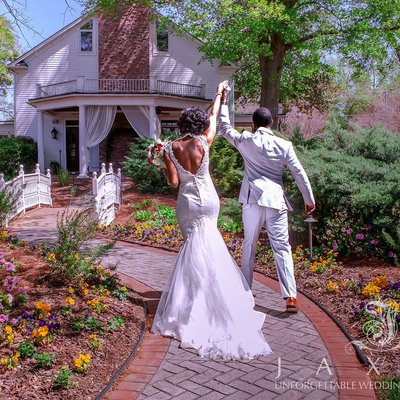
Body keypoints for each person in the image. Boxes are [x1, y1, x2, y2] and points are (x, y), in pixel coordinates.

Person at [151, 83, 272, 360]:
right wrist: (219, 95)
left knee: (193, 248)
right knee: (210, 246)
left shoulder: (170, 148)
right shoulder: (204, 141)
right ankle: (216, 298)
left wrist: (159, 163)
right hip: (209, 200)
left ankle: (195, 301)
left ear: (181, 125)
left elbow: (172, 183)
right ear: (201, 124)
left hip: (187, 204)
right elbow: (215, 118)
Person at [218, 88, 315, 313]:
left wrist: (223, 101)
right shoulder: (284, 146)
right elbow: (299, 172)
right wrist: (308, 198)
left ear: (253, 124)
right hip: (275, 201)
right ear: (271, 123)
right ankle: (291, 296)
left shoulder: (245, 140)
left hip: (252, 200)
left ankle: (245, 291)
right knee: (282, 247)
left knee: (249, 245)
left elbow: (224, 128)